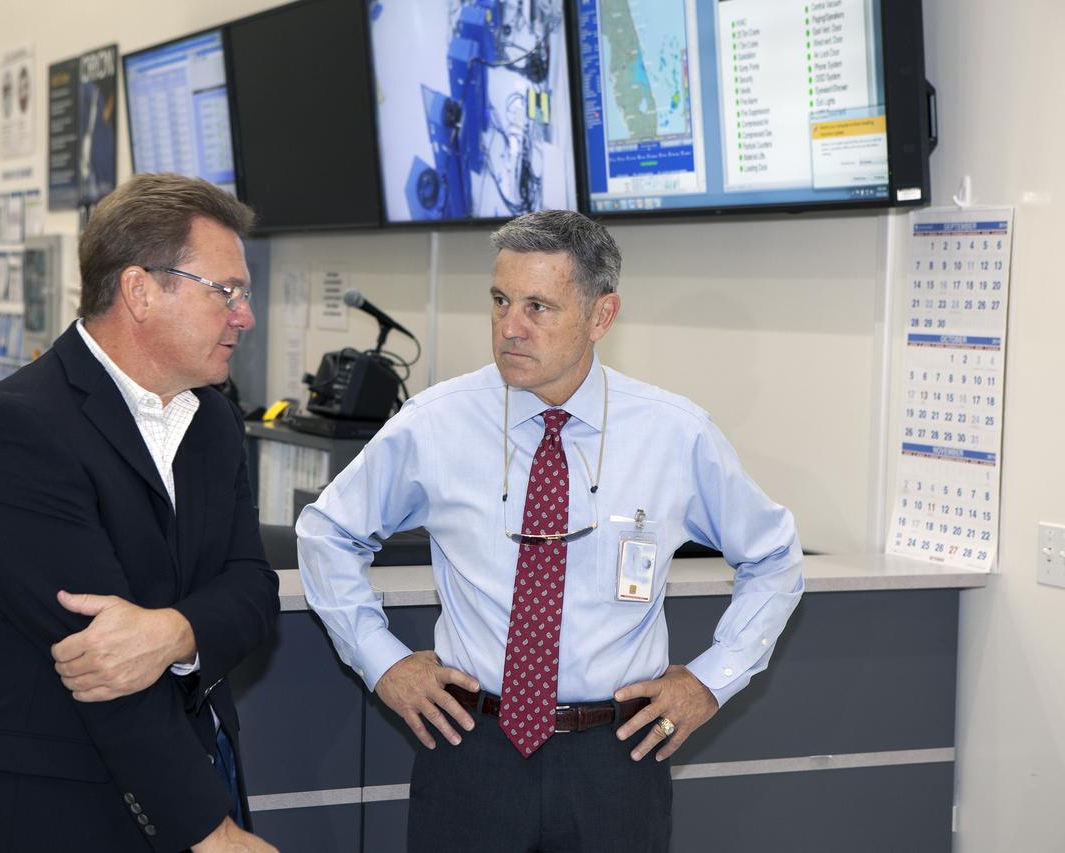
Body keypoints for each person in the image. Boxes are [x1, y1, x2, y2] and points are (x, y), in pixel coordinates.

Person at [296, 210, 804, 852]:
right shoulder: (435, 423)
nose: (511, 328)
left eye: (539, 306)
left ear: (602, 316)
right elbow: (326, 533)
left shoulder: (674, 434)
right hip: (470, 749)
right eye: (501, 300)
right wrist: (384, 662)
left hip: (616, 758)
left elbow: (776, 558)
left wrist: (710, 680)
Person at [0, 173, 280, 853]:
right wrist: (215, 834)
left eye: (246, 293)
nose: (245, 316)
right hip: (55, 815)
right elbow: (104, 668)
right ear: (140, 290)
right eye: (226, 291)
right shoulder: (23, 430)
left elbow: (252, 590)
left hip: (196, 781)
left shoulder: (214, 421)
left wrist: (176, 631)